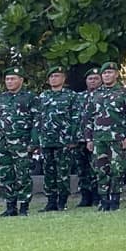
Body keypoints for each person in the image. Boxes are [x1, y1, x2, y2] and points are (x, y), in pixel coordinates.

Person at [82, 61, 126, 212]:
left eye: (110, 72)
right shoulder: (95, 94)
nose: (107, 75)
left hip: (117, 138)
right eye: (104, 73)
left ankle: (115, 200)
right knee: (100, 170)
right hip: (99, 139)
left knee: (117, 170)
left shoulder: (124, 93)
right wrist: (88, 139)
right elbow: (88, 118)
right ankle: (104, 200)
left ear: (116, 74)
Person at [0, 66, 38, 217]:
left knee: (23, 175)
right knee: (5, 175)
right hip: (3, 144)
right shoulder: (2, 98)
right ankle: (10, 207)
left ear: (21, 80)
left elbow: (37, 121)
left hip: (22, 143)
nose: (9, 82)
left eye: (13, 79)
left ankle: (24, 206)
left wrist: (34, 142)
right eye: (7, 79)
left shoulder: (30, 98)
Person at [35, 66, 80, 212]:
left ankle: (62, 201)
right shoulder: (43, 96)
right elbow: (38, 118)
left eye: (57, 76)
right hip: (47, 140)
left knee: (63, 172)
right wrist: (37, 139)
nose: (54, 79)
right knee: (48, 172)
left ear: (63, 79)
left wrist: (73, 138)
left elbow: (76, 118)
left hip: (64, 141)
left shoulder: (71, 96)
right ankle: (51, 201)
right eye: (51, 76)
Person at [75, 67, 102, 207]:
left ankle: (98, 195)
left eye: (96, 79)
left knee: (96, 167)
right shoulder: (79, 97)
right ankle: (85, 196)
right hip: (80, 138)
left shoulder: (103, 96)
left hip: (97, 137)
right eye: (90, 79)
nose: (93, 81)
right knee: (82, 168)